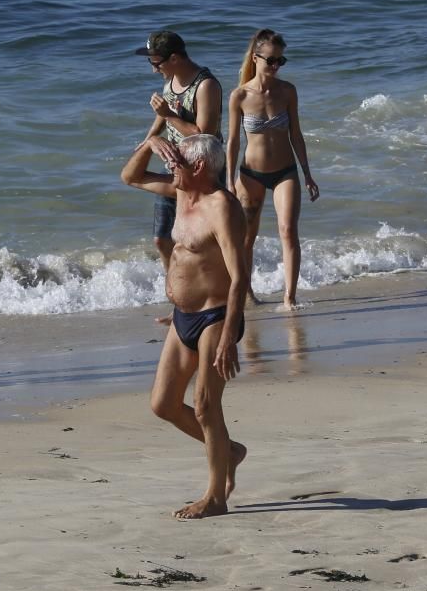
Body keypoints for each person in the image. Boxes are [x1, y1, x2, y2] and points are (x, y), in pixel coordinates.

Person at [121, 133, 249, 519]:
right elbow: (130, 177)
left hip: (216, 316)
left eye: (176, 162)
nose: (169, 167)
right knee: (162, 404)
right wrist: (152, 142)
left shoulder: (221, 207)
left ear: (197, 167)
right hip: (183, 318)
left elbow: (240, 276)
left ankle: (216, 498)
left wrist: (229, 334)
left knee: (207, 408)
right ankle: (230, 452)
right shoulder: (182, 194)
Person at [134, 31, 223, 324]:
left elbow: (205, 134)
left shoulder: (206, 85)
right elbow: (163, 115)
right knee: (162, 240)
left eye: (156, 62)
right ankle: (182, 300)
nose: (153, 68)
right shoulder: (170, 77)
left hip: (201, 172)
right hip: (174, 168)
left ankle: (209, 301)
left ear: (174, 58)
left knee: (199, 242)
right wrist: (148, 140)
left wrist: (169, 115)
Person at [227, 29, 319, 309]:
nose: (276, 66)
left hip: (285, 171)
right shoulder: (239, 96)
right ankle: (247, 293)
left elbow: (296, 135)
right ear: (256, 58)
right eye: (271, 61)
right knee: (246, 238)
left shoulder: (287, 91)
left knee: (288, 230)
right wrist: (229, 182)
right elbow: (232, 142)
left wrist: (307, 173)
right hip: (250, 174)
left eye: (281, 61)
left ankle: (289, 298)